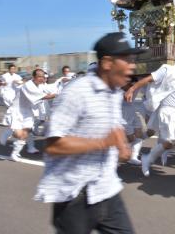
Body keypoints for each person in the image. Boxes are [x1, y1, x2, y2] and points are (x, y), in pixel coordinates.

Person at [34, 32, 142, 234]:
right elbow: (54, 145)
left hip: (106, 190)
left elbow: (112, 124)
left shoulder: (114, 93)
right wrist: (103, 142)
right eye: (127, 60)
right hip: (74, 196)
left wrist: (121, 145)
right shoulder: (76, 92)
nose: (132, 66)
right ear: (108, 63)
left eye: (133, 59)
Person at [125, 55, 175, 185]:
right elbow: (149, 78)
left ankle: (147, 159)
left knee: (169, 144)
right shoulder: (168, 70)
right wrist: (132, 89)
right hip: (167, 113)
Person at [8, 68, 57, 161]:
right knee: (19, 134)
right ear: (34, 77)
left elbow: (50, 89)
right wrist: (58, 94)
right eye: (39, 76)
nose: (41, 78)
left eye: (43, 76)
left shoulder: (41, 85)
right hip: (16, 111)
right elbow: (47, 96)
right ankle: (11, 132)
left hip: (27, 112)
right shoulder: (28, 85)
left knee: (26, 132)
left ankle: (15, 154)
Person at [0, 64, 23, 145]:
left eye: (14, 69)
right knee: (12, 110)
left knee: (13, 112)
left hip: (15, 95)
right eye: (11, 69)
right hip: (7, 95)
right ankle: (10, 129)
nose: (13, 70)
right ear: (9, 69)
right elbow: (0, 83)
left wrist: (18, 82)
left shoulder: (17, 76)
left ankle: (9, 129)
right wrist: (3, 84)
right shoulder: (5, 76)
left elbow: (22, 83)